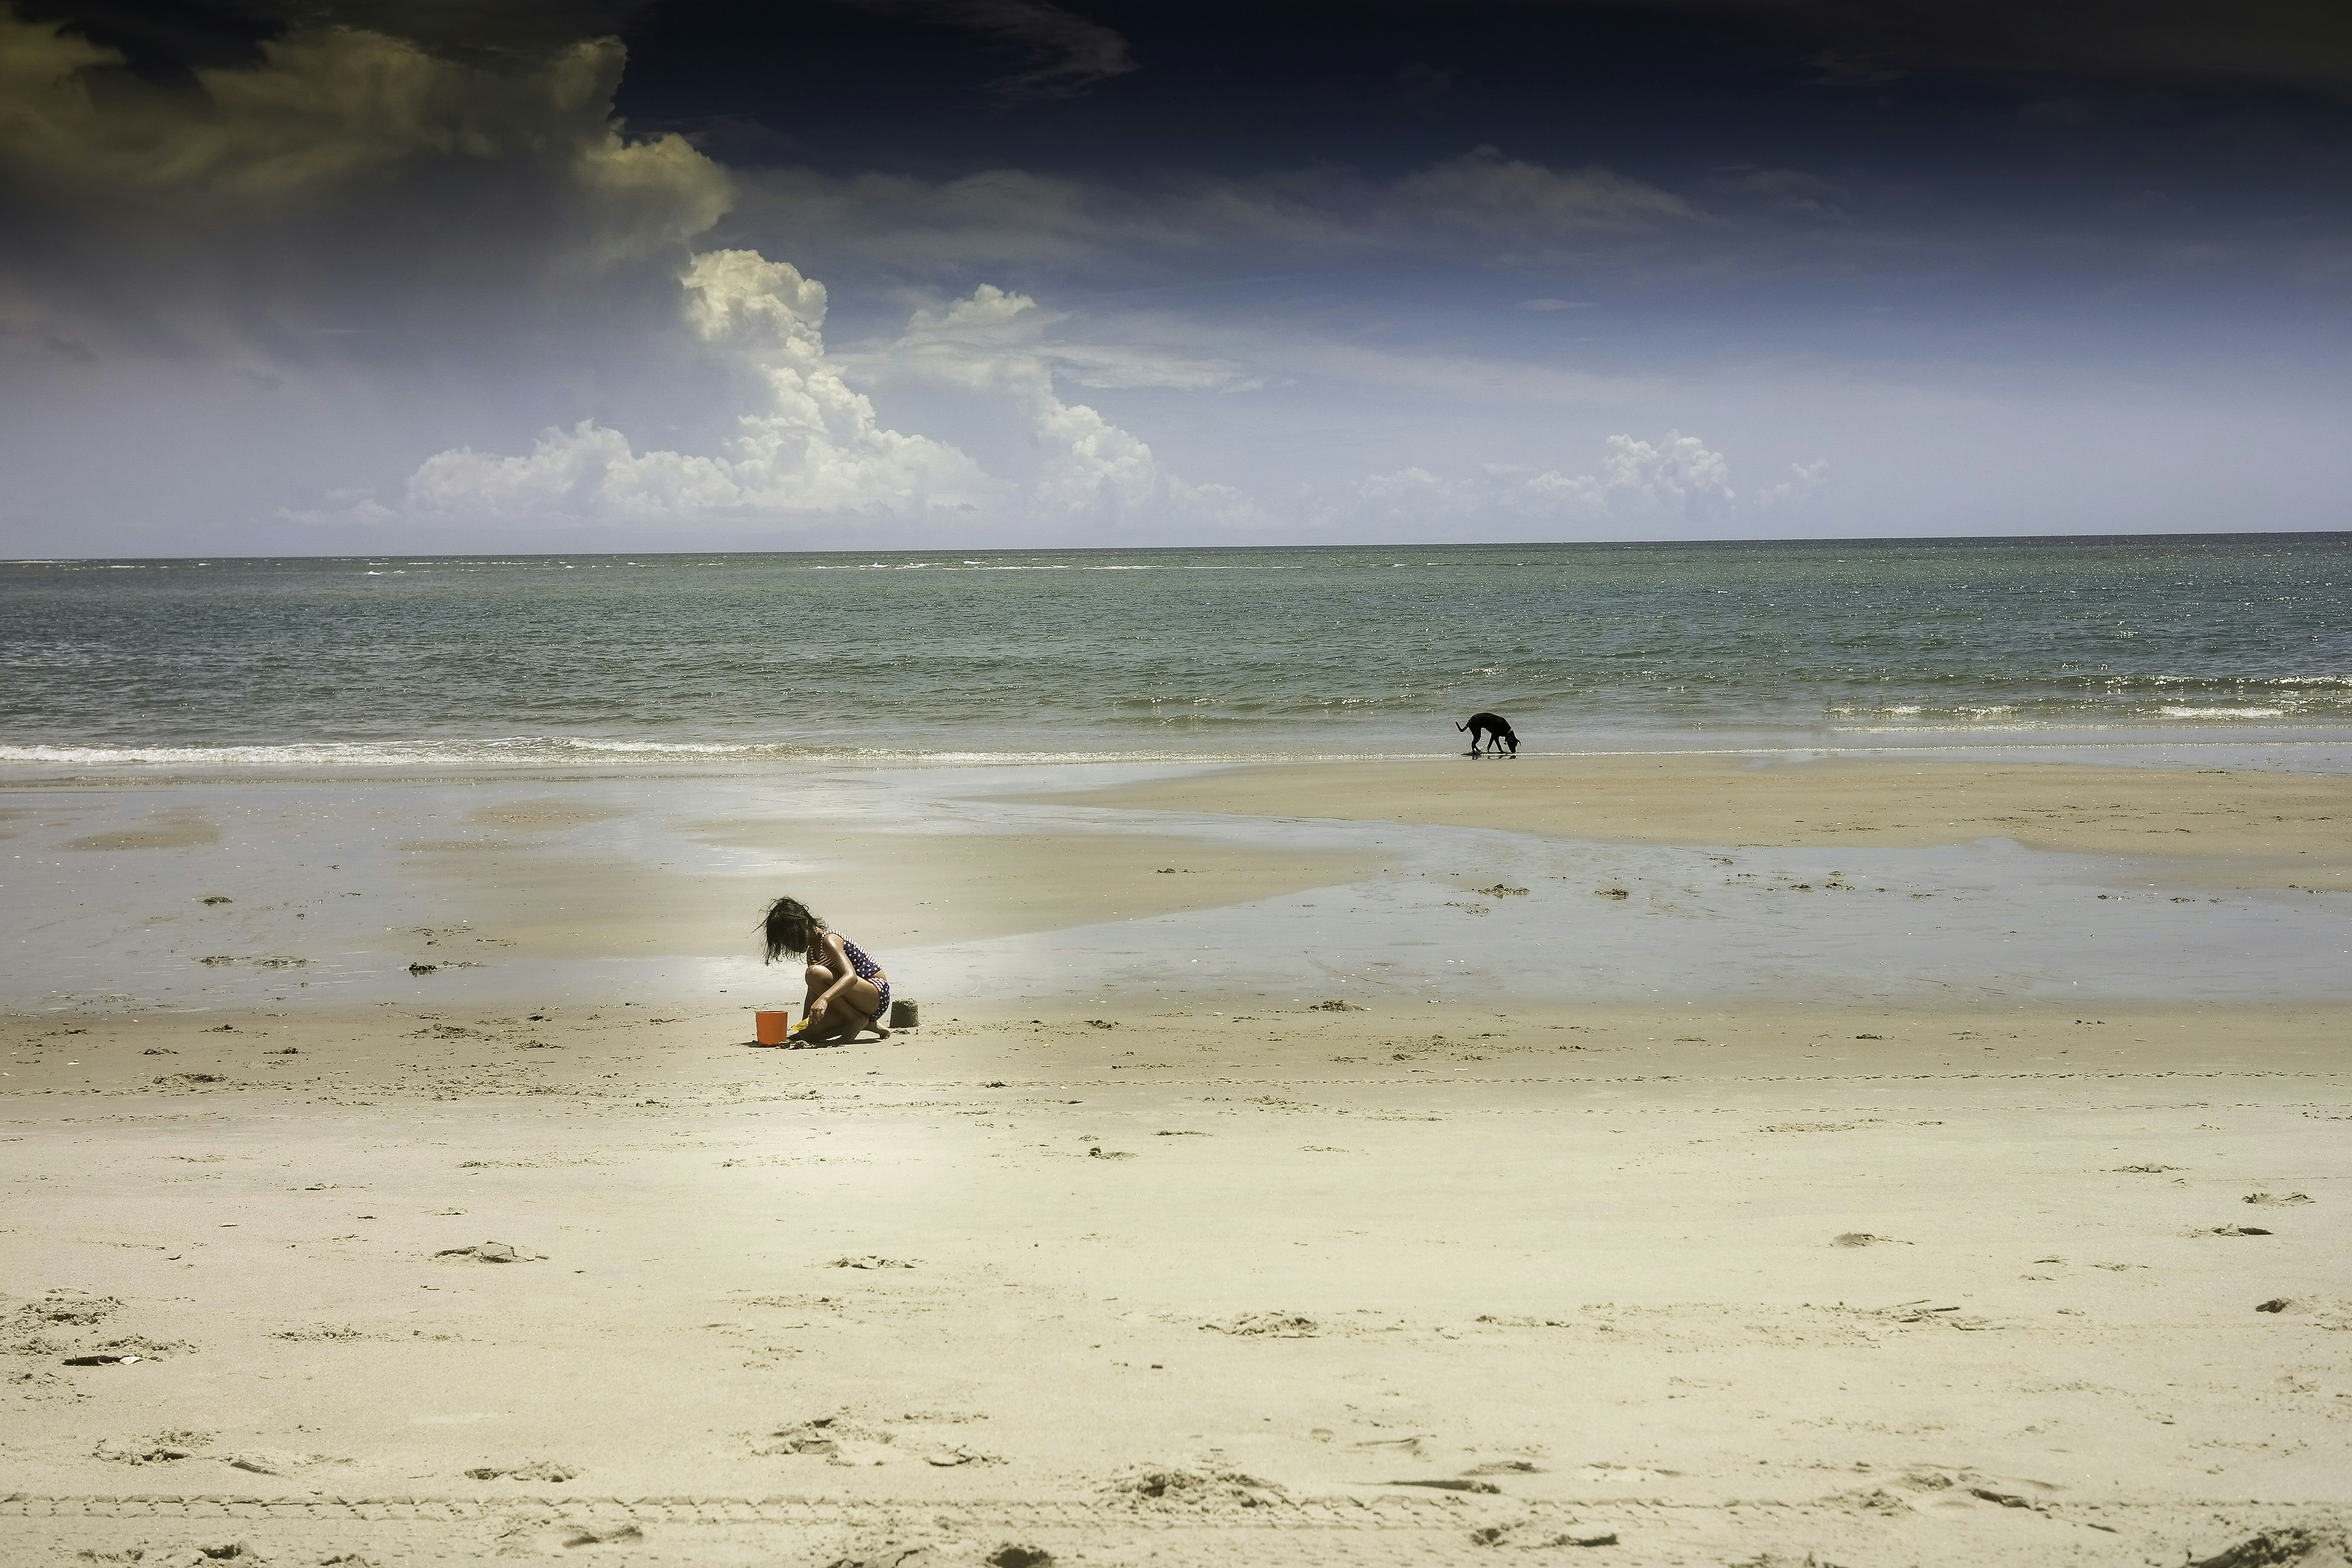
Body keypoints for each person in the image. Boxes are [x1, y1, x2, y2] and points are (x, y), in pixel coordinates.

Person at [760, 896, 891, 1044]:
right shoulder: (812, 955)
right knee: (810, 1035)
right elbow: (813, 992)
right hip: (855, 1003)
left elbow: (851, 977)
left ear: (804, 923)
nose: (791, 946)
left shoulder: (829, 941)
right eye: (785, 943)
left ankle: (855, 1020)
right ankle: (865, 1024)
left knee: (814, 973)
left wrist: (824, 999)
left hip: (875, 994)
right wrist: (804, 1027)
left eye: (791, 938)